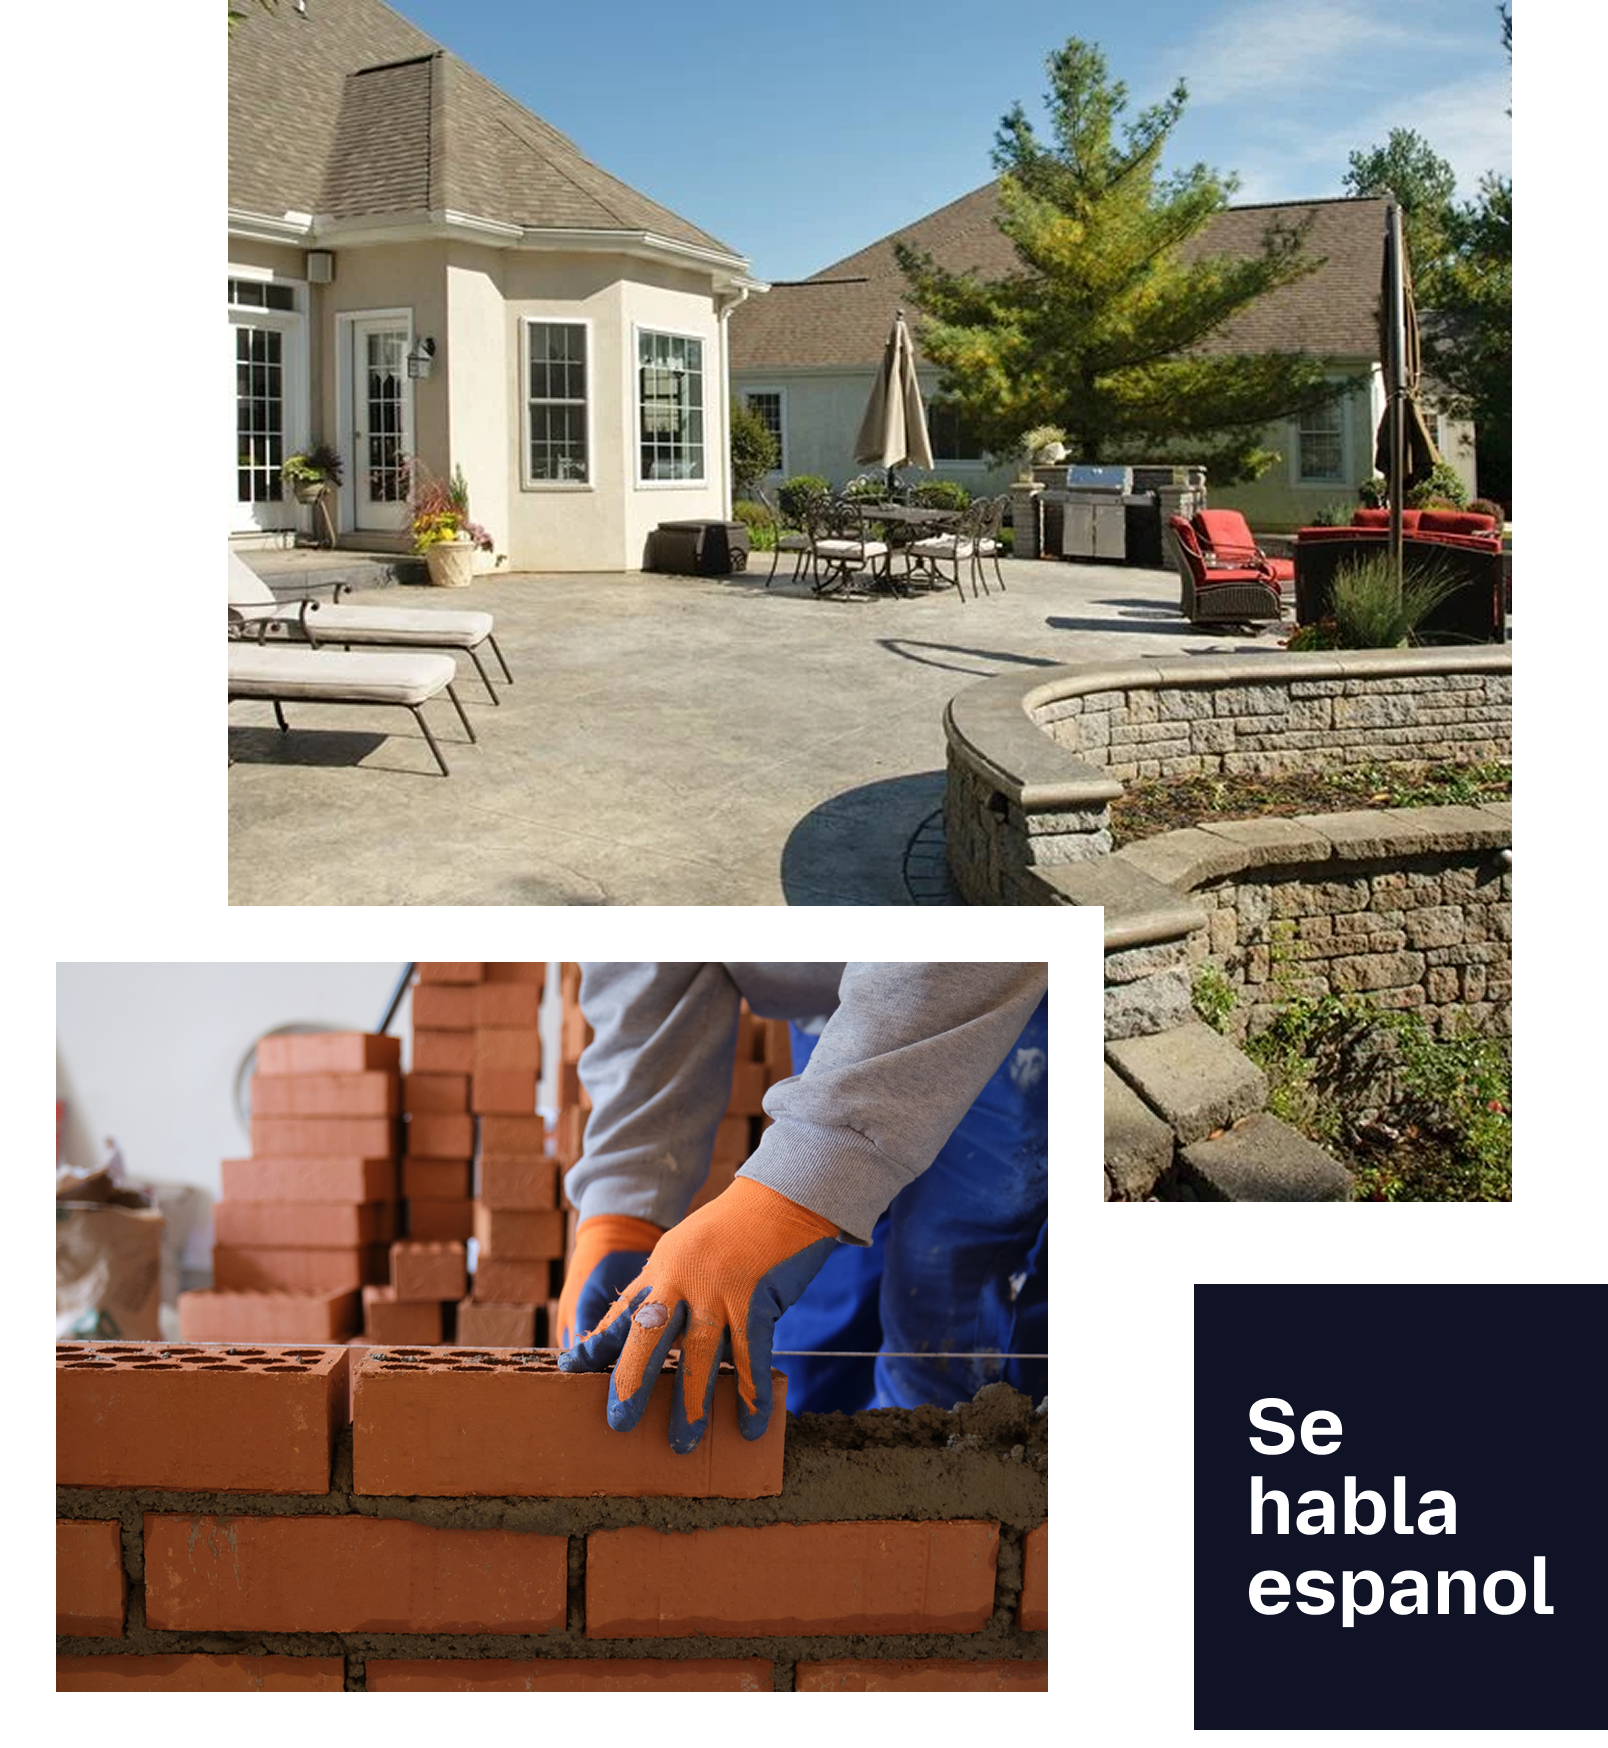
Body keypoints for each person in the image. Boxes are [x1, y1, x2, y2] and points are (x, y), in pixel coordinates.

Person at [555, 963, 1048, 1453]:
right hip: (840, 1015)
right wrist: (624, 1208)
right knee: (800, 1364)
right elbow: (648, 942)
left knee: (945, 1340)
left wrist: (807, 1175)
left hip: (992, 997)